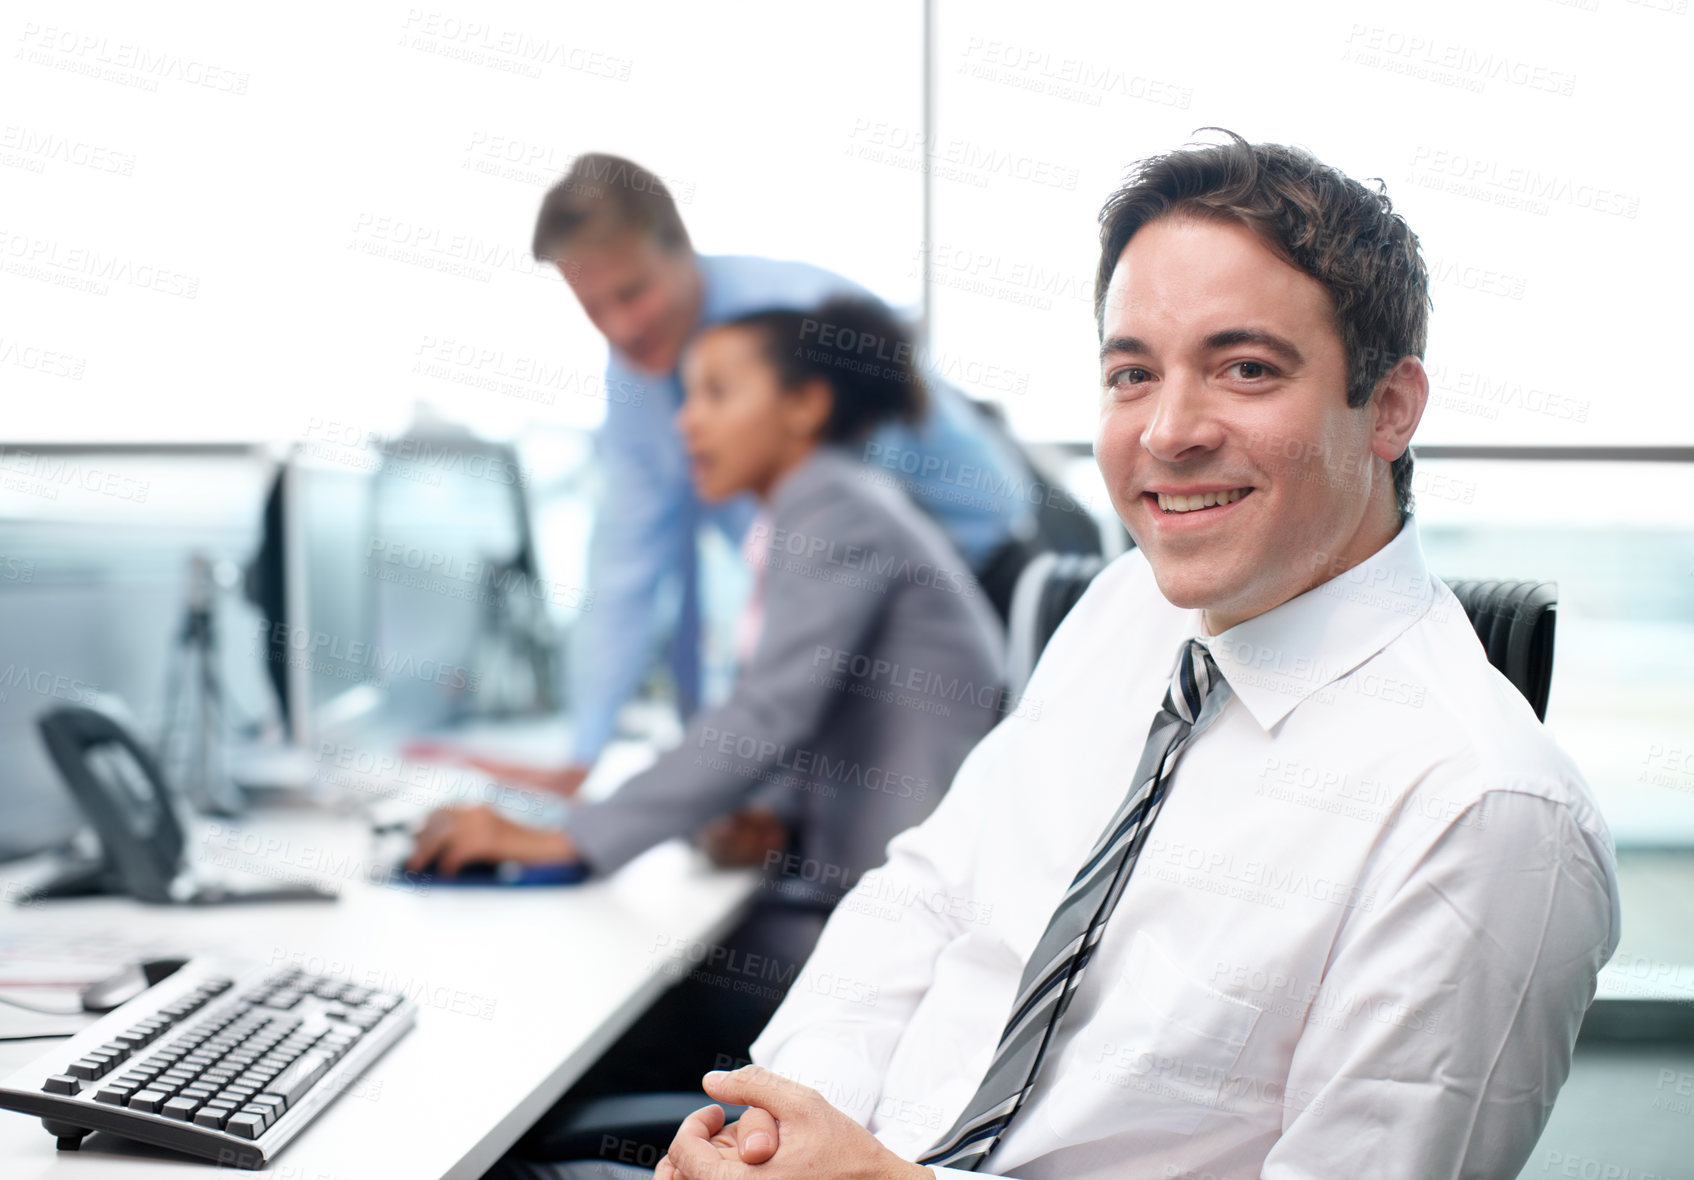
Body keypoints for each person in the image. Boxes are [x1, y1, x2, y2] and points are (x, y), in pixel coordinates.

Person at [524, 133, 1619, 1180]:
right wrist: (773, 1121)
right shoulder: (1122, 609)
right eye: (1131, 374)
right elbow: (926, 896)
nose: (1166, 431)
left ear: (1387, 407)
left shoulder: (1485, 813)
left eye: (1243, 369)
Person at [413, 296, 1005, 1088]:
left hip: (895, 937)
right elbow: (815, 713)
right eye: (688, 397)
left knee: (570, 1013)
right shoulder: (819, 508)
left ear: (805, 405)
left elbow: (768, 712)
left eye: (718, 395)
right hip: (861, 897)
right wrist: (770, 813)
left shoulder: (834, 510)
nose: (688, 423)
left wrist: (572, 837)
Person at [437, 154, 1046, 802]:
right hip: (851, 604)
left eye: (632, 292)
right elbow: (630, 564)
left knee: (925, 816)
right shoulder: (636, 375)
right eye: (593, 308)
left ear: (680, 251)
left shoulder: (791, 322)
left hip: (975, 575)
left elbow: (843, 546)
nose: (620, 328)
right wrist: (586, 751)